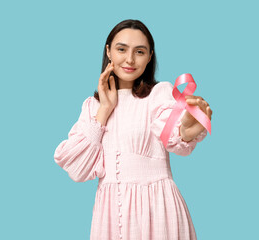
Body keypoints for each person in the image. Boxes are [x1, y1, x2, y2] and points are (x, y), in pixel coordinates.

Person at [54, 19, 212, 240]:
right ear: (108, 51)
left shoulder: (158, 94)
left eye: (139, 51)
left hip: (157, 210)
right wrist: (104, 110)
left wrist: (186, 130)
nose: (129, 59)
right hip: (108, 216)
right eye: (121, 49)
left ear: (149, 56)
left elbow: (172, 132)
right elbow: (77, 168)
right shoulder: (92, 106)